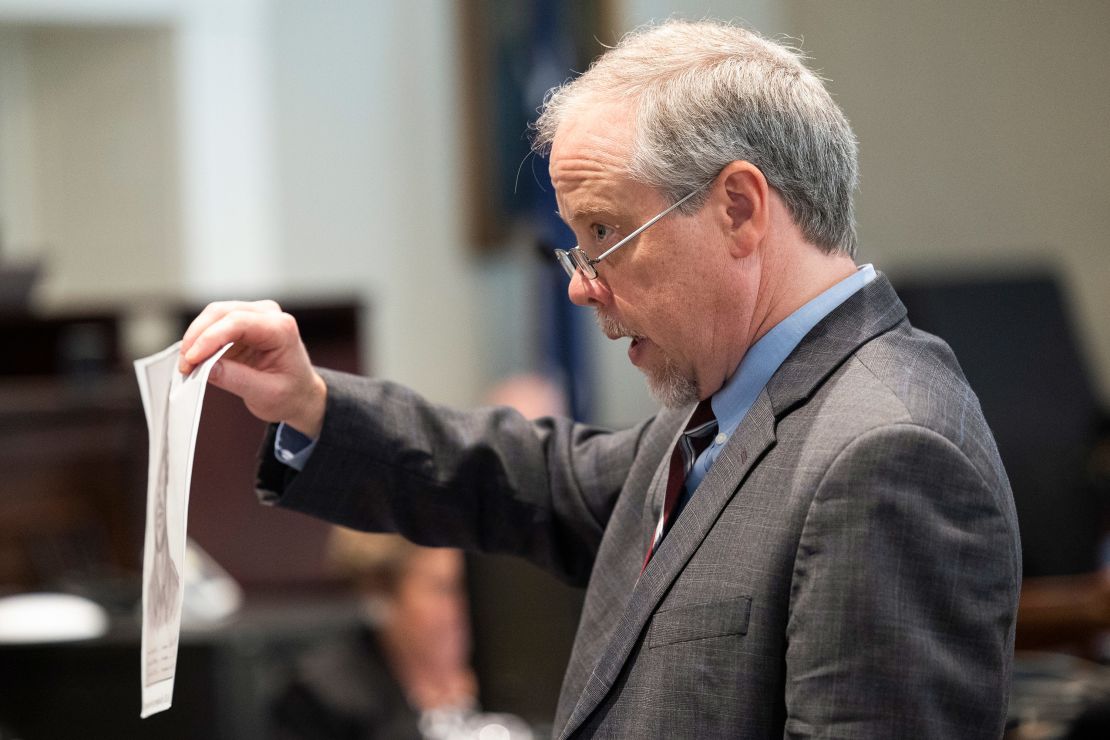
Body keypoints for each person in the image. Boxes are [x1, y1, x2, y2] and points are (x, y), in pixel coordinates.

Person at [179, 19, 1021, 738]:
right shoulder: (724, 411)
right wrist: (309, 403)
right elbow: (533, 478)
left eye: (606, 232)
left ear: (739, 208)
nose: (582, 284)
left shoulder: (888, 453)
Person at [271, 530, 477, 740]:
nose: (461, 608)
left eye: (467, 588)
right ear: (383, 594)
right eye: (442, 589)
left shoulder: (492, 670)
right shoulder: (323, 695)